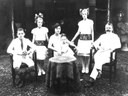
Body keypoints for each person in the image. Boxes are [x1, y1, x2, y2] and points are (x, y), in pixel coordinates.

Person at [84, 23, 121, 87]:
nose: (108, 29)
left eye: (109, 28)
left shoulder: (115, 36)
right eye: (107, 28)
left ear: (112, 29)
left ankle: (92, 79)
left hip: (110, 54)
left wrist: (112, 48)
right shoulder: (102, 36)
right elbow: (95, 43)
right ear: (105, 28)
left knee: (99, 59)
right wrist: (98, 46)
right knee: (96, 56)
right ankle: (99, 70)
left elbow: (118, 45)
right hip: (101, 52)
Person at [71, 8, 94, 74]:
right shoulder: (80, 23)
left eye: (85, 14)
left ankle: (87, 66)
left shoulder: (90, 22)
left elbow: (92, 31)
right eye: (83, 14)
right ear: (81, 15)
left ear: (87, 14)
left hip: (88, 40)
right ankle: (83, 66)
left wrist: (92, 40)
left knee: (88, 54)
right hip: (81, 40)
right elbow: (78, 32)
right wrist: (73, 39)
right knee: (82, 55)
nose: (84, 15)